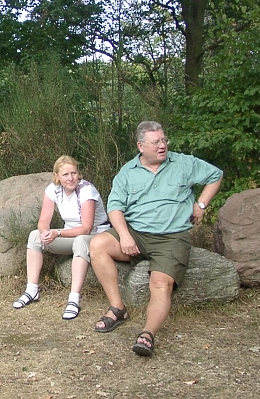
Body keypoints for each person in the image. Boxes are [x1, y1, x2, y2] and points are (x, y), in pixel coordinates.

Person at [90, 121, 223, 357]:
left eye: (164, 140)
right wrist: (124, 235)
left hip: (171, 238)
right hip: (136, 234)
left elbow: (215, 175)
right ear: (141, 146)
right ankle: (118, 308)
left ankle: (147, 334)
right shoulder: (127, 172)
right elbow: (115, 208)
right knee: (98, 244)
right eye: (156, 142)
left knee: (161, 283)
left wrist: (201, 205)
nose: (162, 146)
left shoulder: (183, 163)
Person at [13, 155, 111, 320]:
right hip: (68, 234)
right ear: (57, 176)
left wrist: (57, 233)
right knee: (35, 236)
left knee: (80, 241)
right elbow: (43, 221)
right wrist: (46, 232)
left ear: (78, 174)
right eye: (65, 174)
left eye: (74, 173)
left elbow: (86, 228)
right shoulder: (53, 189)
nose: (70, 178)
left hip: (95, 234)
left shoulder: (87, 190)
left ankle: (74, 298)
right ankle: (32, 289)